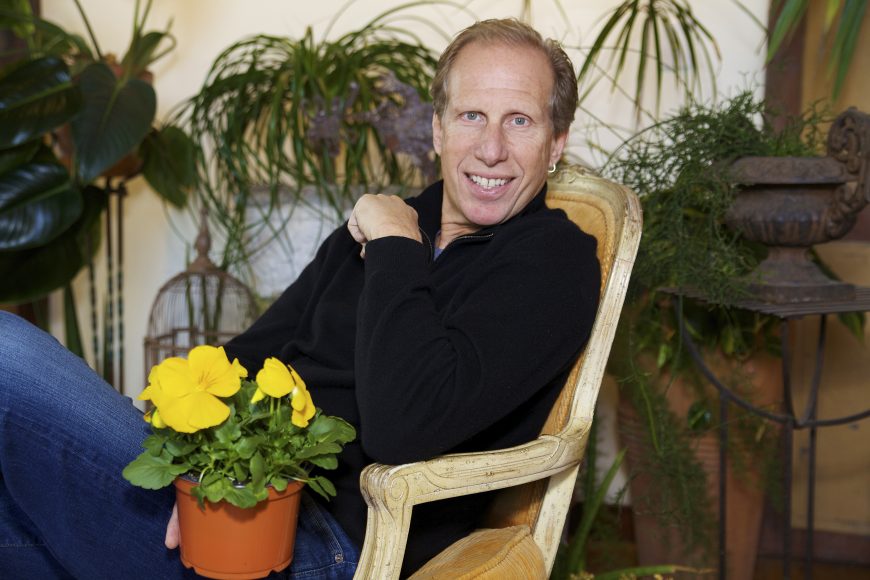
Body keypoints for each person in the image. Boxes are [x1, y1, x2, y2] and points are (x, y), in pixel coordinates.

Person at [0, 18, 600, 579]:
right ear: (438, 130)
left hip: (319, 545)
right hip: (234, 496)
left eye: (519, 120)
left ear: (556, 143)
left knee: (7, 352)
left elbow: (404, 428)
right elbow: (252, 353)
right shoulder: (387, 221)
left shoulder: (551, 264)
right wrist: (199, 469)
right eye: (472, 115)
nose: (491, 148)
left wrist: (395, 242)